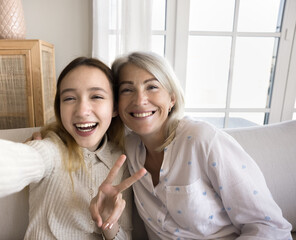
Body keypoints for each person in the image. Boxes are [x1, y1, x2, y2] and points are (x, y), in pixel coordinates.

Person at [0, 57, 145, 240]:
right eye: (69, 98)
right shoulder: (51, 147)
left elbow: (122, 236)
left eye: (96, 96)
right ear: (59, 107)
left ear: (115, 107)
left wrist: (109, 222)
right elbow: (18, 161)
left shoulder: (120, 161)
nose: (82, 111)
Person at [89, 51, 292, 239]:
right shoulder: (128, 149)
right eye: (127, 89)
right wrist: (106, 221)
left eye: (152, 86)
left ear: (172, 98)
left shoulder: (201, 139)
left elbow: (269, 226)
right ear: (117, 104)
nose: (140, 99)